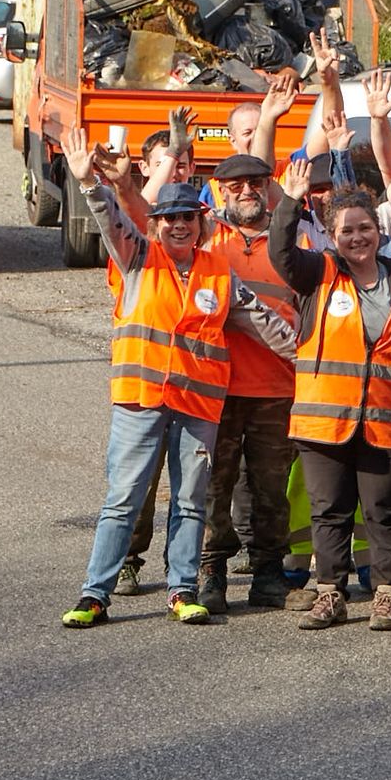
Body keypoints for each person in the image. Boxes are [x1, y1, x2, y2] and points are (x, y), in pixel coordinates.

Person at [60, 132, 295, 630]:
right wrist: (88, 183)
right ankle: (94, 594)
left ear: (201, 221)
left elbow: (266, 326)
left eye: (188, 217)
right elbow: (109, 218)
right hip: (141, 402)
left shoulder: (218, 272)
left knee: (191, 502)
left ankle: (182, 590)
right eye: (169, 218)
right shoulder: (138, 258)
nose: (179, 225)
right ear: (156, 224)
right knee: (123, 500)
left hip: (198, 409)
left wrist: (312, 363)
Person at [270, 162, 391, 633]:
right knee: (329, 511)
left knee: (382, 511)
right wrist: (291, 204)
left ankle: (388, 593)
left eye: (366, 228)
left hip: (383, 421)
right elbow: (281, 254)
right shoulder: (320, 274)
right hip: (323, 421)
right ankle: (330, 591)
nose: (358, 237)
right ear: (333, 236)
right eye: (347, 230)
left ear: (380, 231)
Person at [197, 153, 301, 613]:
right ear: (220, 191)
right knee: (212, 487)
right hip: (216, 389)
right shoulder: (206, 239)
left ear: (269, 187)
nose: (245, 191)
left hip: (277, 390)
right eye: (234, 185)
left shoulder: (291, 239)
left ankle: (268, 573)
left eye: (255, 183)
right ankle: (210, 571)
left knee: (271, 488)